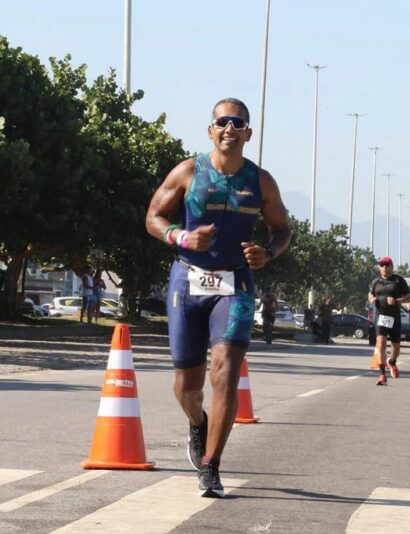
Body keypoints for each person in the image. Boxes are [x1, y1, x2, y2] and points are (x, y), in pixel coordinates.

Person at [145, 97, 291, 498]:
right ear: (211, 130)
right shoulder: (190, 171)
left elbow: (282, 230)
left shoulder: (260, 182)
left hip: (236, 284)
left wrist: (268, 252)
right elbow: (153, 217)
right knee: (186, 388)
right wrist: (181, 236)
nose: (229, 128)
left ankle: (211, 466)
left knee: (224, 372)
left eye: (237, 122)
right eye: (222, 122)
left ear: (248, 132)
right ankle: (198, 422)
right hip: (187, 281)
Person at [369, 256, 410, 385]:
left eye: (387, 265)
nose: (384, 267)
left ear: (392, 266)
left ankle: (392, 361)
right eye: (382, 265)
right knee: (380, 342)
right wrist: (371, 298)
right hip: (380, 317)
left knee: (396, 348)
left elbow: (408, 297)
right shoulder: (376, 282)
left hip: (394, 318)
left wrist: (396, 301)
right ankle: (382, 374)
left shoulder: (399, 280)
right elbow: (370, 293)